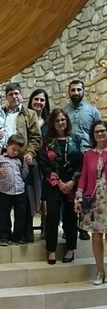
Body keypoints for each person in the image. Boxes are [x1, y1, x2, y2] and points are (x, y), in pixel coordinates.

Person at [0, 82, 42, 243]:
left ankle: (22, 234)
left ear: (21, 95)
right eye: (11, 94)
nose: (14, 96)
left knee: (23, 202)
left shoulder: (30, 114)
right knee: (3, 203)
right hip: (2, 161)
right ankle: (4, 234)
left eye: (17, 93)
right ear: (6, 97)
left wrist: (29, 153)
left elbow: (36, 137)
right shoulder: (0, 112)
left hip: (21, 162)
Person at [39, 109, 83, 265]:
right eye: (57, 120)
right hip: (53, 185)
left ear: (67, 121)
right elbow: (44, 164)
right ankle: (51, 250)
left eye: (63, 120)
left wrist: (72, 182)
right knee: (52, 217)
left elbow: (81, 162)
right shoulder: (47, 141)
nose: (60, 123)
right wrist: (59, 183)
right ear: (53, 123)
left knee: (71, 218)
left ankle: (70, 249)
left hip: (72, 184)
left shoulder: (76, 139)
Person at [64, 79, 101, 241]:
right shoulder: (64, 111)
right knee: (71, 193)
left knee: (86, 191)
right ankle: (68, 226)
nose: (76, 93)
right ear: (69, 92)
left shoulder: (92, 112)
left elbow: (98, 134)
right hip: (71, 157)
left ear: (83, 91)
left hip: (89, 157)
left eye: (79, 90)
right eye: (73, 90)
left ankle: (83, 226)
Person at [74, 120, 107, 285]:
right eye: (96, 132)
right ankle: (100, 271)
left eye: (102, 131)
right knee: (96, 237)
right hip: (93, 199)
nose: (100, 134)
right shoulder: (88, 154)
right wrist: (78, 198)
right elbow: (83, 178)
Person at [0, 134, 29, 246]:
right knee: (4, 216)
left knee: (21, 215)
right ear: (7, 146)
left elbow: (23, 175)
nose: (15, 152)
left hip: (19, 192)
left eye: (18, 150)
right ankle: (4, 236)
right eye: (13, 149)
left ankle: (18, 236)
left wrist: (25, 165)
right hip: (5, 192)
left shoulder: (19, 160)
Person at [27, 88, 51, 239]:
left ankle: (47, 229)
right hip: (29, 163)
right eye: (36, 99)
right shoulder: (24, 119)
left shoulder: (49, 122)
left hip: (46, 164)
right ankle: (27, 229)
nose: (39, 102)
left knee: (46, 197)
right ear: (31, 101)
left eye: (42, 100)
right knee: (29, 196)